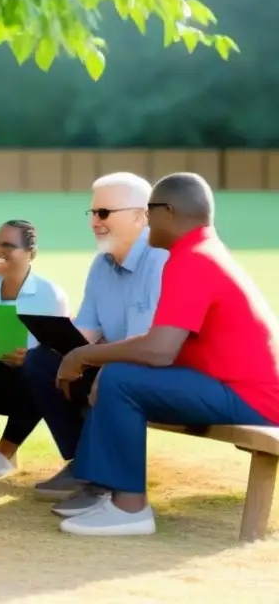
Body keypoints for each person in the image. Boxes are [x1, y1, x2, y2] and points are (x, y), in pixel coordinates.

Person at [52, 172, 279, 535]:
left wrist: (84, 356)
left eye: (150, 210)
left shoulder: (193, 259)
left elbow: (159, 350)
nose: (147, 218)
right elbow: (164, 345)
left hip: (252, 398)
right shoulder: (198, 252)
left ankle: (130, 510)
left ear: (169, 212)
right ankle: (108, 494)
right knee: (118, 375)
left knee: (120, 379)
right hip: (232, 386)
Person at [19, 172, 168, 502]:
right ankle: (82, 463)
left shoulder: (161, 261)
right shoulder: (101, 264)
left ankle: (104, 475)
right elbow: (86, 331)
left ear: (140, 215)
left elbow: (146, 345)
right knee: (41, 361)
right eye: (92, 213)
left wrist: (88, 359)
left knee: (114, 374)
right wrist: (53, 342)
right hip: (115, 361)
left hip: (153, 368)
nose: (94, 223)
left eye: (104, 213)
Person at [0, 220, 69, 479]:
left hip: (28, 386)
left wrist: (27, 359)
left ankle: (5, 451)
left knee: (38, 370)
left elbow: (60, 354)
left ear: (31, 253)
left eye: (7, 245)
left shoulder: (50, 294)